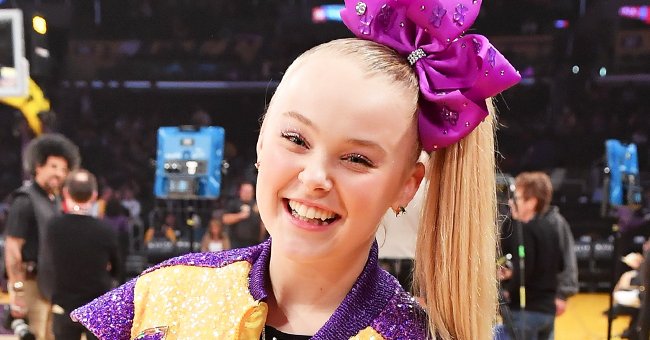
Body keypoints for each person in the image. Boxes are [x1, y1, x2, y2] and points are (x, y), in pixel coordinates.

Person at [71, 0, 519, 338]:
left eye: (357, 159)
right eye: (296, 140)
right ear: (262, 140)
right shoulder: (158, 298)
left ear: (406, 185)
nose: (315, 177)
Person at [4, 133, 80, 340]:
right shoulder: (24, 200)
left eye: (64, 169)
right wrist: (17, 291)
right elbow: (12, 248)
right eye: (54, 167)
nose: (59, 174)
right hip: (29, 283)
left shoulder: (53, 201)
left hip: (49, 284)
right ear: (38, 166)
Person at [41, 169, 122, 340]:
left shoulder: (53, 227)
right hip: (96, 309)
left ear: (65, 192)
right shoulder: (105, 230)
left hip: (63, 306)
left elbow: (47, 264)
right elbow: (117, 269)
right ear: (94, 196)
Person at [502, 172, 564, 340]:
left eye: (518, 198)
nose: (512, 202)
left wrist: (508, 291)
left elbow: (525, 268)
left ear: (532, 202)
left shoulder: (523, 231)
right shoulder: (551, 228)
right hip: (546, 311)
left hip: (525, 312)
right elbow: (560, 265)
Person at [222, 181, 265, 248]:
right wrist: (240, 216)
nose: (247, 194)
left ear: (253, 193)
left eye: (249, 191)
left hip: (254, 242)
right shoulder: (234, 203)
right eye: (245, 191)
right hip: (236, 242)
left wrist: (261, 238)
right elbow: (225, 219)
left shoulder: (257, 205)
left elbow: (263, 223)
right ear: (240, 192)